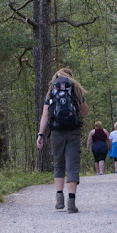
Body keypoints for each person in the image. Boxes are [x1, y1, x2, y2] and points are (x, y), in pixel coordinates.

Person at [37, 68, 88, 213]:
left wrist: (40, 134)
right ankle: (71, 202)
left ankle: (59, 198)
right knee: (72, 164)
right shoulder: (75, 88)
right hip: (73, 131)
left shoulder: (51, 90)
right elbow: (84, 112)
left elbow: (45, 115)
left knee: (58, 163)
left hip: (56, 131)